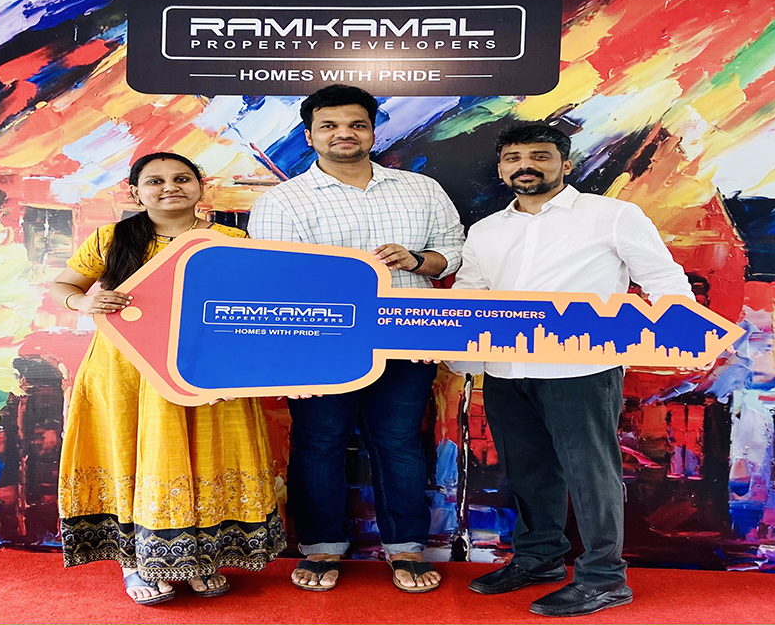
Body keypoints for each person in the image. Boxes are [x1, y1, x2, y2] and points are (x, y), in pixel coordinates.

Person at [454, 123, 694, 616]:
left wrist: (683, 336)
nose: (526, 165)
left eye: (540, 156)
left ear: (565, 164)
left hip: (582, 370)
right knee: (528, 472)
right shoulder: (486, 229)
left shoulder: (613, 216)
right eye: (514, 158)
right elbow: (470, 294)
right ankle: (538, 559)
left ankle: (604, 578)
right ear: (501, 168)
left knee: (591, 474)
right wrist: (455, 351)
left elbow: (664, 279)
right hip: (504, 370)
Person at [248, 84, 465, 593]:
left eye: (356, 124)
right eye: (329, 125)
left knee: (399, 443)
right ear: (309, 135)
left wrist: (417, 261)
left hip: (405, 337)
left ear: (372, 131)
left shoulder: (421, 189)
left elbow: (452, 251)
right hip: (320, 344)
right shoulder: (283, 201)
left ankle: (406, 547)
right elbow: (276, 279)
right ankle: (321, 546)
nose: (343, 133)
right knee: (319, 444)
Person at [51, 152, 286, 605]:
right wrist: (82, 303)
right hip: (126, 369)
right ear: (135, 192)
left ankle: (201, 560)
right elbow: (65, 286)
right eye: (155, 181)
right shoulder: (111, 239)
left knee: (207, 456)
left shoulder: (230, 240)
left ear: (200, 187)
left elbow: (253, 309)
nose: (170, 187)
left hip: (207, 369)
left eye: (181, 178)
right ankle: (135, 562)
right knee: (133, 456)